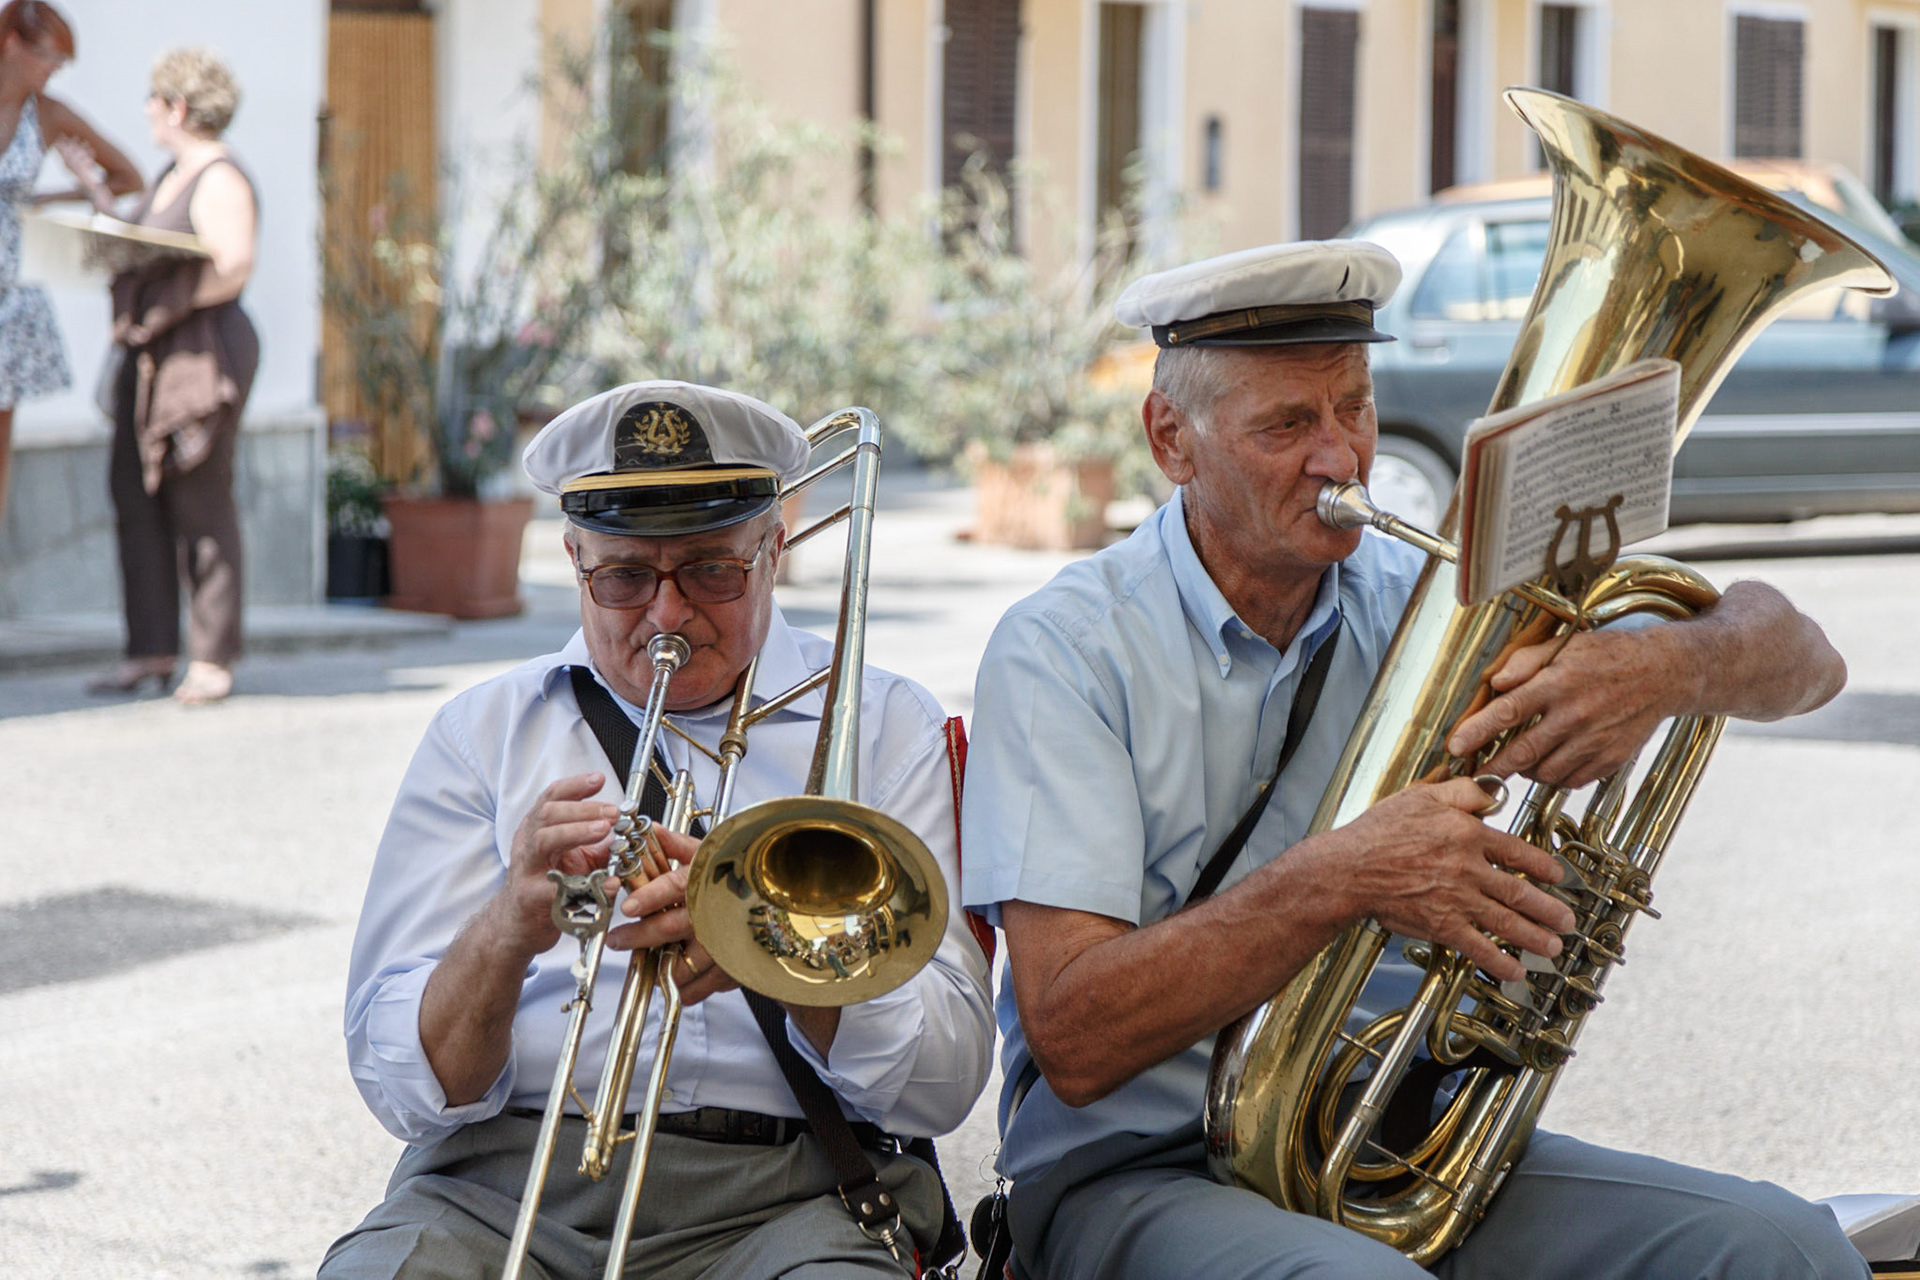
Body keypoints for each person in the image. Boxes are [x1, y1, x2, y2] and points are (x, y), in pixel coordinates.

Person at [959, 241, 1864, 1280]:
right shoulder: (1065, 648)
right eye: (1287, 425)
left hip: (1391, 1139)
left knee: (1788, 1249)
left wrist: (1665, 666)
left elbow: (1808, 659)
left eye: (1355, 408)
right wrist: (1346, 876)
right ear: (1172, 439)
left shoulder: (1424, 599)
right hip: (1137, 1170)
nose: (1342, 458)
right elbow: (1074, 1034)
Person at [323, 381, 994, 1279]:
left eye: (712, 570)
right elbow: (400, 1085)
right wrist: (506, 930)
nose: (667, 615)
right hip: (498, 1187)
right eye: (625, 576)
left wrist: (781, 955)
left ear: (775, 549)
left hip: (792, 1193)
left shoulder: (881, 723)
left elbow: (945, 1084)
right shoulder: (484, 732)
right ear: (574, 561)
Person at [87, 47, 257, 705]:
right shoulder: (173, 171)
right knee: (134, 493)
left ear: (178, 108)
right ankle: (150, 650)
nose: (147, 113)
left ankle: (212, 658)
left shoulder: (219, 175)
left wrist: (163, 309)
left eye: (153, 102)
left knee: (199, 499)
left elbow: (234, 263)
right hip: (152, 355)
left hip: (199, 354)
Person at [0, 0, 140, 525]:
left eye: (60, 62)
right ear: (11, 43)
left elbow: (130, 176)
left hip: (11, 298)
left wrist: (51, 200)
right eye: (47, 58)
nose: (53, 71)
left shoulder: (49, 115)